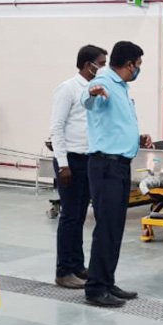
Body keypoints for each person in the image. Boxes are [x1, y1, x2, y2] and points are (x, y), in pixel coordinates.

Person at [80, 40, 146, 307]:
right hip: (106, 165)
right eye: (138, 65)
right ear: (129, 64)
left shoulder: (121, 87)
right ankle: (95, 288)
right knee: (106, 227)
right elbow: (89, 100)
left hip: (119, 164)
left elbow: (116, 124)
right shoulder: (104, 81)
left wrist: (137, 137)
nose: (138, 70)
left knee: (115, 227)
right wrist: (93, 93)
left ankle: (107, 281)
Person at [50, 44, 107, 289]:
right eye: (101, 64)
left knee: (80, 215)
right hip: (70, 161)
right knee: (70, 216)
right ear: (87, 64)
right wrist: (63, 164)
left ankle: (77, 265)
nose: (103, 68)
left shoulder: (96, 90)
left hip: (88, 159)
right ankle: (63, 271)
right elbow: (57, 127)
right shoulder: (68, 88)